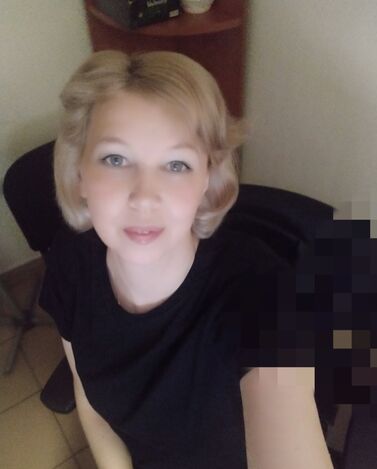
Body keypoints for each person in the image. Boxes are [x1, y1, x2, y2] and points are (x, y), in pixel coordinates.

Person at [39, 50, 333, 469]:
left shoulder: (264, 298)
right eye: (115, 159)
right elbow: (90, 401)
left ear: (207, 181)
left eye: (176, 164)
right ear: (80, 172)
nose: (144, 197)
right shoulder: (71, 263)